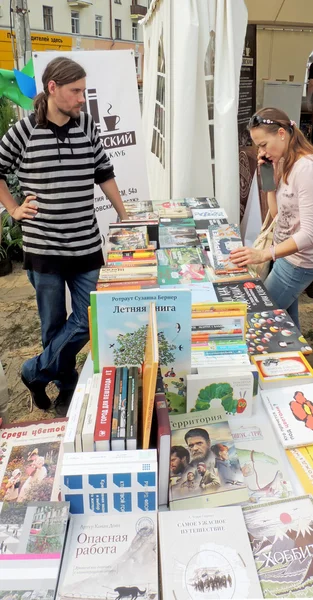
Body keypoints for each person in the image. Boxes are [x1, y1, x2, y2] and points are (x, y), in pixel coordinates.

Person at [0, 57, 127, 414]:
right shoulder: (24, 131)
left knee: (92, 317)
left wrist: (124, 214)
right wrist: (13, 208)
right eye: (75, 91)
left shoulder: (86, 124)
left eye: (84, 91)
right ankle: (65, 389)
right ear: (52, 88)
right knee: (53, 326)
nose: (81, 99)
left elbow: (104, 170)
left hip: (86, 244)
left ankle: (34, 371)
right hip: (44, 249)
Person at [230, 107, 313, 329]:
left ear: (282, 134)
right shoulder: (285, 161)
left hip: (299, 262)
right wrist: (267, 175)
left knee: (258, 318)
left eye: (263, 145)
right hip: (285, 255)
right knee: (285, 322)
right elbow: (278, 216)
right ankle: (300, 361)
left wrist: (264, 254)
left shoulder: (306, 169)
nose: (261, 151)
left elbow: (309, 235)